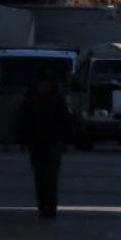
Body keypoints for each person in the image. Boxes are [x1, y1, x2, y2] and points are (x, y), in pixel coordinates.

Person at [17, 71, 73, 219]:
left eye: (45, 85)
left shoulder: (56, 100)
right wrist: (24, 140)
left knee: (51, 177)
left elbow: (65, 122)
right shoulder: (30, 100)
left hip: (52, 143)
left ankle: (51, 206)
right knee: (40, 177)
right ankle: (43, 205)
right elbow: (22, 122)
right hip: (36, 144)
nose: (43, 87)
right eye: (40, 85)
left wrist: (63, 140)